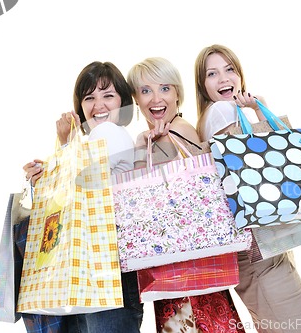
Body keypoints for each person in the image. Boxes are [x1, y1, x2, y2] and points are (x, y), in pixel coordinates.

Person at [194, 44, 301, 333]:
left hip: (260, 249)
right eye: (212, 74)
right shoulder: (221, 110)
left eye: (230, 69)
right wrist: (259, 115)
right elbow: (259, 169)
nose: (224, 79)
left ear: (240, 75)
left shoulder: (216, 114)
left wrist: (256, 110)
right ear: (202, 86)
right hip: (260, 249)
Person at [22, 61, 143, 333]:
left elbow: (77, 187)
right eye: (90, 97)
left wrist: (61, 152)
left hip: (103, 270)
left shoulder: (107, 133)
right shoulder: (93, 143)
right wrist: (60, 154)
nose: (98, 105)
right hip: (100, 269)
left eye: (108, 95)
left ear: (123, 101)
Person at [127, 56, 245, 333]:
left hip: (189, 268)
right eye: (145, 91)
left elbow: (202, 192)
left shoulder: (179, 130)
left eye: (165, 88)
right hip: (174, 268)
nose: (156, 98)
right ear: (136, 99)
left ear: (178, 93)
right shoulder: (149, 138)